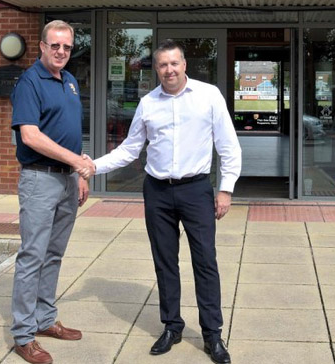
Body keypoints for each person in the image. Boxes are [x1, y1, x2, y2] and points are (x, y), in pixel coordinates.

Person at [90, 39, 241, 364]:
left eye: (174, 63)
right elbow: (130, 149)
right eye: (163, 64)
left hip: (196, 190)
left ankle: (212, 334)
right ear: (156, 69)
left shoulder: (209, 96)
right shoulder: (148, 103)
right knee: (165, 261)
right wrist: (93, 166)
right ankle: (172, 326)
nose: (169, 69)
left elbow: (228, 146)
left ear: (184, 65)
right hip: (157, 191)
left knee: (205, 262)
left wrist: (225, 189)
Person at [10, 20, 95, 364]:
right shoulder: (30, 82)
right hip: (40, 179)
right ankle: (23, 334)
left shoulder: (70, 81)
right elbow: (30, 135)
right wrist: (77, 162)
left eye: (67, 47)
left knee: (54, 253)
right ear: (42, 46)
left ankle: (45, 319)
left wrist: (79, 174)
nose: (61, 52)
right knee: (32, 256)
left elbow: (69, 131)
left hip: (67, 181)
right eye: (55, 45)